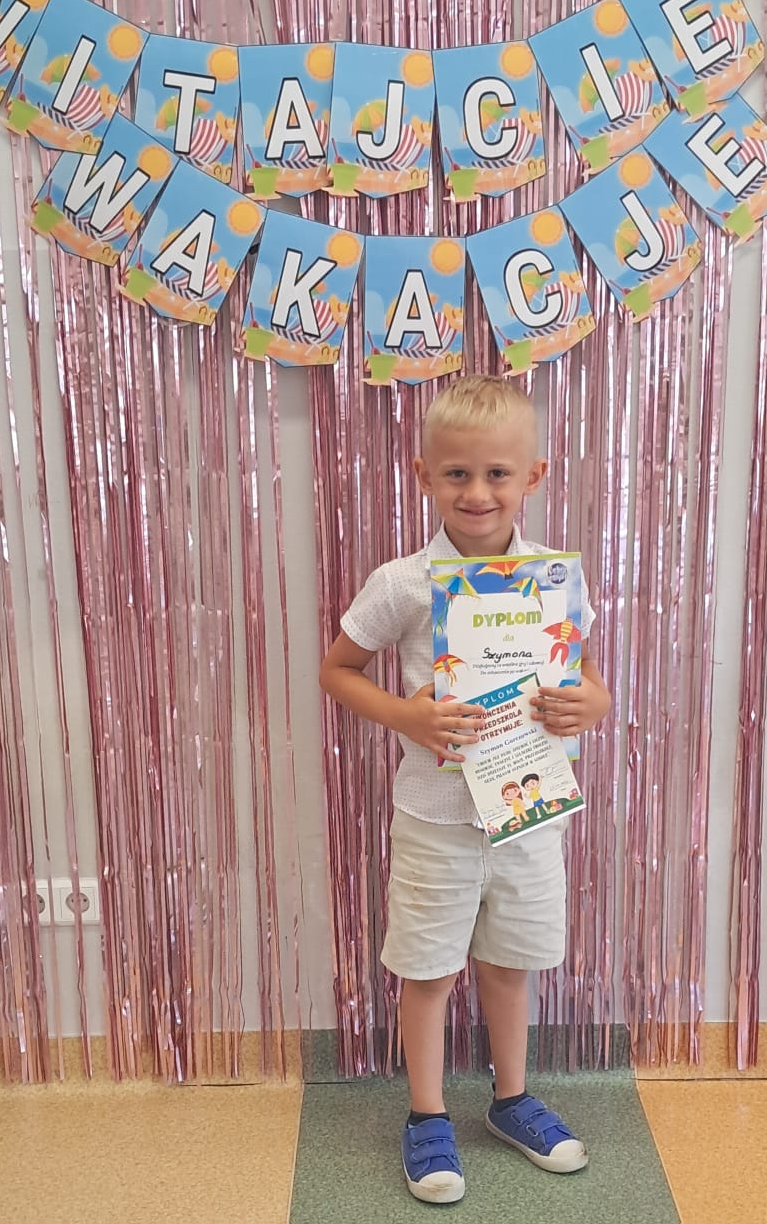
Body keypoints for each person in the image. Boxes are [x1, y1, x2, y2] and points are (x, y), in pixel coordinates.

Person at [319, 375, 610, 1205]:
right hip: (437, 818)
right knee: (430, 968)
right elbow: (338, 670)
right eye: (456, 473)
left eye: (496, 473)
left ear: (534, 476)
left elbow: (588, 674)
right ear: (424, 474)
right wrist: (406, 716)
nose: (477, 491)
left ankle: (510, 1099)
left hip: (528, 810)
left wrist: (595, 701)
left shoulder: (554, 579)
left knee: (511, 963)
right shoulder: (404, 582)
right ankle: (426, 1113)